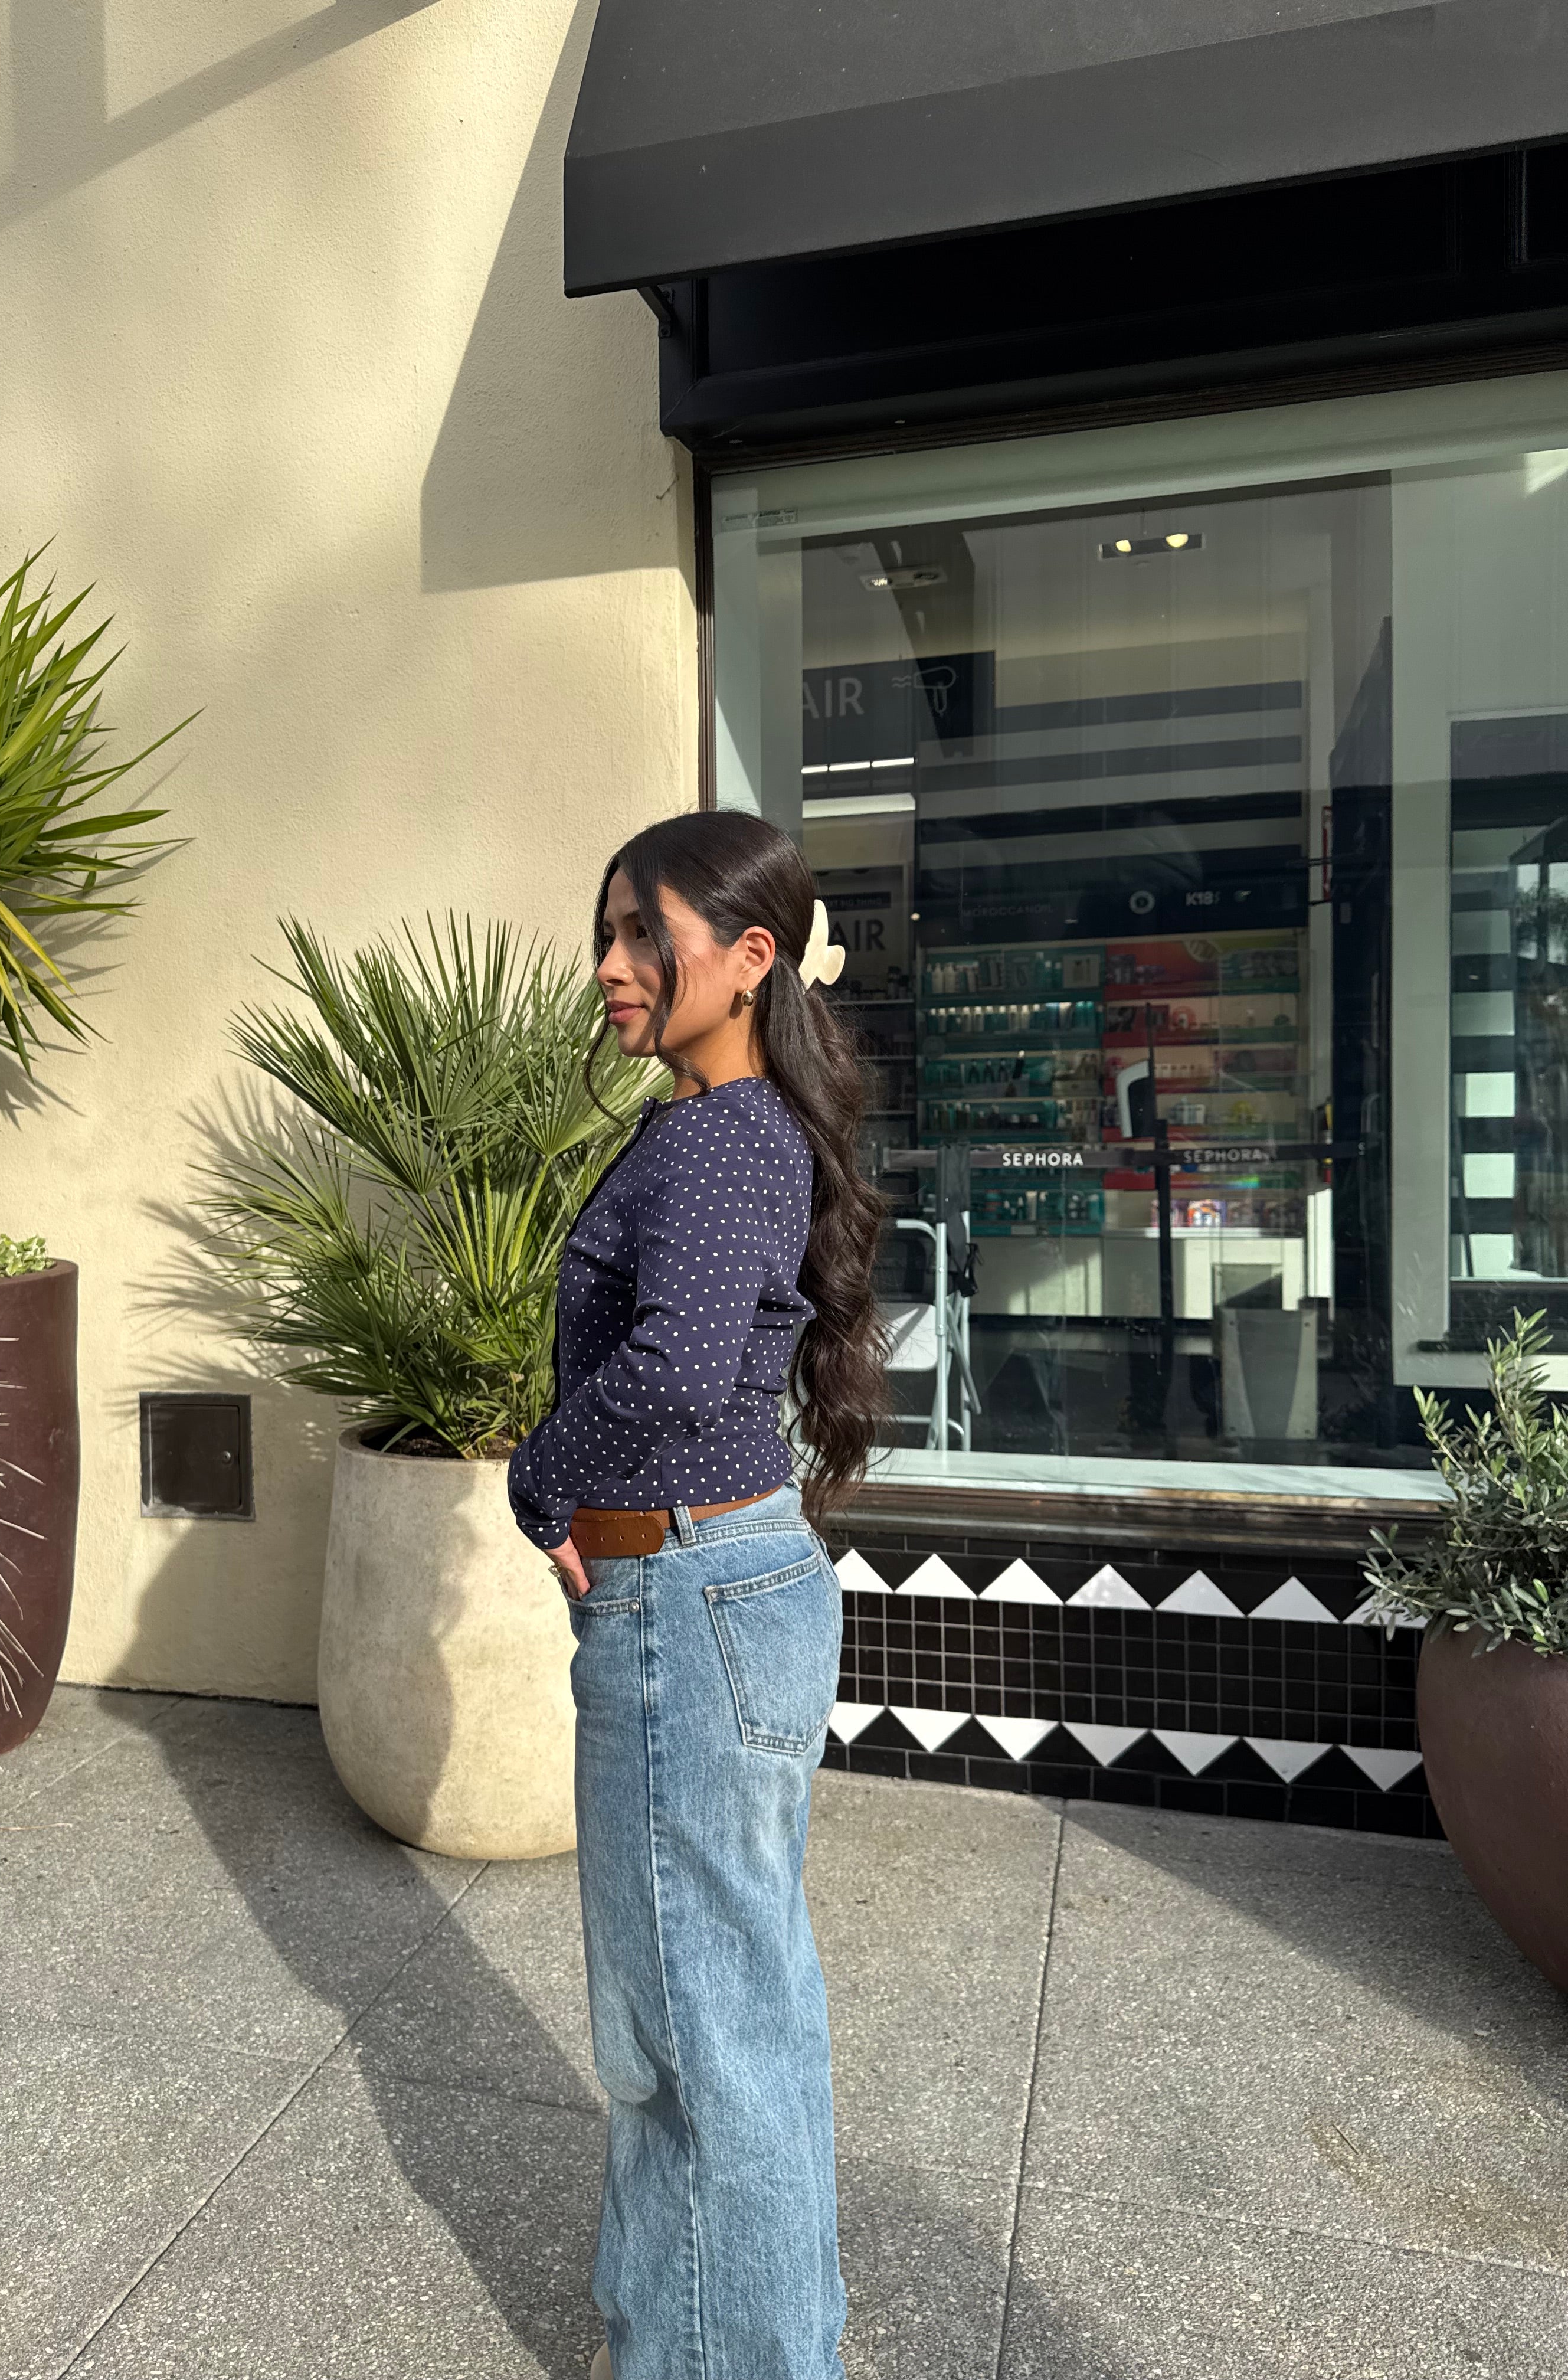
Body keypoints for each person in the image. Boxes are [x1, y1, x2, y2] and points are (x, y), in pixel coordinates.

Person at [507, 810, 887, 2380]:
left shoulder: (722, 1134)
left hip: (688, 1605)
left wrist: (540, 1477)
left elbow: (670, 1365)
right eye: (603, 933)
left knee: (702, 2044)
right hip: (710, 1595)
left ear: (749, 959)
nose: (609, 967)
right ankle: (677, 2336)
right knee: (721, 2026)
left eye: (640, 935)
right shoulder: (723, 1126)